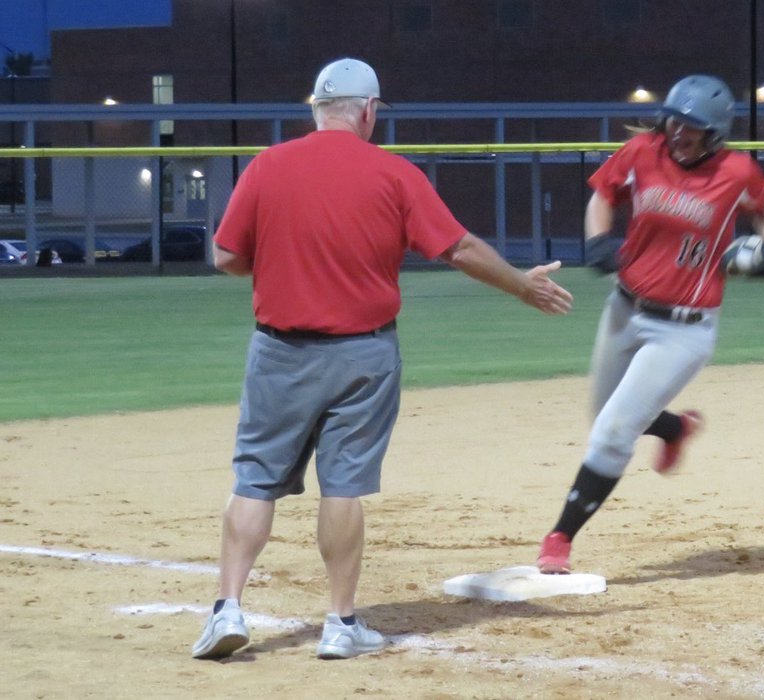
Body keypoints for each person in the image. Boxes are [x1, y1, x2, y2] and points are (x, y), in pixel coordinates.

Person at [192, 57, 573, 661]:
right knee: (341, 486)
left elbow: (225, 257)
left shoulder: (268, 165)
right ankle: (341, 625)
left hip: (280, 352)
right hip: (364, 355)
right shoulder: (394, 174)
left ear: (316, 108)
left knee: (255, 478)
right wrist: (521, 286)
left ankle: (226, 610)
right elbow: (460, 248)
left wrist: (278, 264)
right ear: (368, 111)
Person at [534, 75, 764, 575]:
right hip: (624, 309)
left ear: (714, 132)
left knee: (611, 433)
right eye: (674, 120)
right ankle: (673, 428)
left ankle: (559, 538)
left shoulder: (735, 171)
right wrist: (599, 239)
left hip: (684, 330)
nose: (678, 132)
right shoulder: (642, 152)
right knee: (607, 417)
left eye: (692, 127)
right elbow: (603, 195)